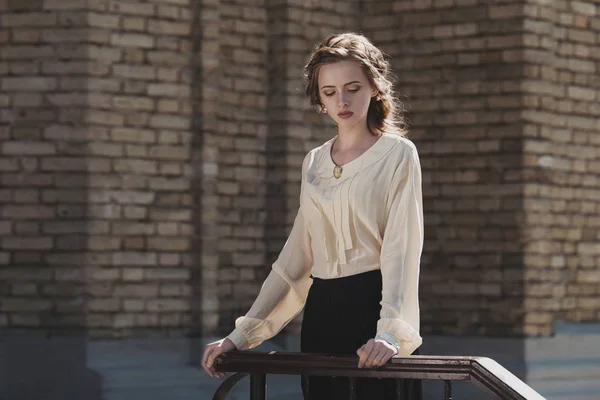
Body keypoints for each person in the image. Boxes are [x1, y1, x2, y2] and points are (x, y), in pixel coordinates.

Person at [202, 32, 424, 399]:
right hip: (321, 314)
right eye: (330, 91)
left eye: (353, 87)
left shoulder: (398, 154)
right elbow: (296, 259)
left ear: (375, 87)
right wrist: (241, 335)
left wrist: (390, 333)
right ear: (319, 98)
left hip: (373, 309)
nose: (343, 100)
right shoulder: (315, 161)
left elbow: (402, 249)